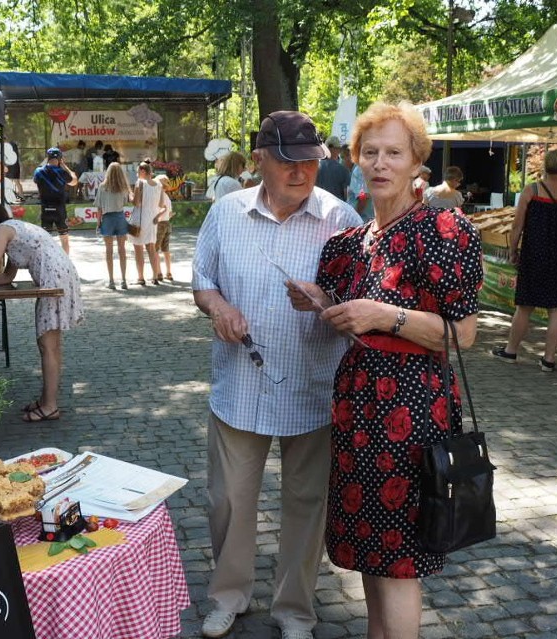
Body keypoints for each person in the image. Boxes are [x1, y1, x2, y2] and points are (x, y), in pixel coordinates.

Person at [286, 101, 484, 638]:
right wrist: (323, 301)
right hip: (358, 409)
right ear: (355, 159)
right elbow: (356, 318)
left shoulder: (442, 229)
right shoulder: (353, 243)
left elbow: (462, 335)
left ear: (418, 160)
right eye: (369, 152)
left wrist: (384, 316)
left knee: (398, 563)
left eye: (394, 152)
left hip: (412, 414)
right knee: (375, 558)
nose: (380, 163)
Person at [192, 111, 361, 639]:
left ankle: (294, 610)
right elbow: (202, 281)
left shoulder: (342, 221)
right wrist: (217, 307)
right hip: (240, 384)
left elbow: (364, 308)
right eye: (288, 161)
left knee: (307, 505)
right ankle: (228, 596)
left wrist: (326, 300)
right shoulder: (225, 214)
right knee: (229, 501)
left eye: (309, 161)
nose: (301, 171)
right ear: (260, 158)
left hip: (313, 386)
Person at [0, 202, 84, 422]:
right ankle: (46, 400)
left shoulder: (1, 230)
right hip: (60, 274)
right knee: (51, 345)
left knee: (47, 345)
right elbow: (6, 276)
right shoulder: (13, 227)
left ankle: (50, 406)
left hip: (54, 279)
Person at [492, 148, 557, 372]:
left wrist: (512, 250)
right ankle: (548, 359)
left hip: (534, 253)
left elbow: (517, 225)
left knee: (525, 305)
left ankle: (511, 351)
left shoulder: (532, 190)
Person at [94, 162, 132, 290]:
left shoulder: (102, 187)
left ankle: (111, 281)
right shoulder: (123, 188)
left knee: (109, 251)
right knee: (122, 250)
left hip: (108, 219)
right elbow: (126, 201)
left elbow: (99, 208)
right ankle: (124, 280)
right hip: (120, 217)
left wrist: (98, 223)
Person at [33, 148, 78, 254]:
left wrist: (45, 162)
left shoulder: (39, 171)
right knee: (64, 240)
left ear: (47, 158)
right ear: (60, 159)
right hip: (60, 210)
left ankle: (45, 263)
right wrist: (65, 166)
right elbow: (74, 181)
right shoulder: (62, 172)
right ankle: (65, 263)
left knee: (44, 240)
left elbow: (35, 179)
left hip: (46, 209)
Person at [130, 160, 165, 286]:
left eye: (138, 171)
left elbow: (136, 203)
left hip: (140, 218)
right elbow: (161, 204)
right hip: (153, 219)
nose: (137, 173)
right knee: (151, 248)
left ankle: (141, 277)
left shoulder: (140, 183)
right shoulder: (159, 184)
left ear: (143, 171)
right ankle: (155, 276)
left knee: (138, 248)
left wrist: (130, 195)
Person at [316, 135, 351, 199]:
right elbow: (347, 195)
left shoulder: (315, 167)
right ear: (338, 150)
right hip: (337, 206)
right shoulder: (344, 170)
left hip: (319, 205)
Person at [155, 175, 175, 281]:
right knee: (166, 249)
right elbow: (170, 213)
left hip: (159, 224)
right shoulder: (167, 197)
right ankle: (169, 272)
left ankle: (158, 273)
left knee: (155, 249)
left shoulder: (158, 196)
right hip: (167, 223)